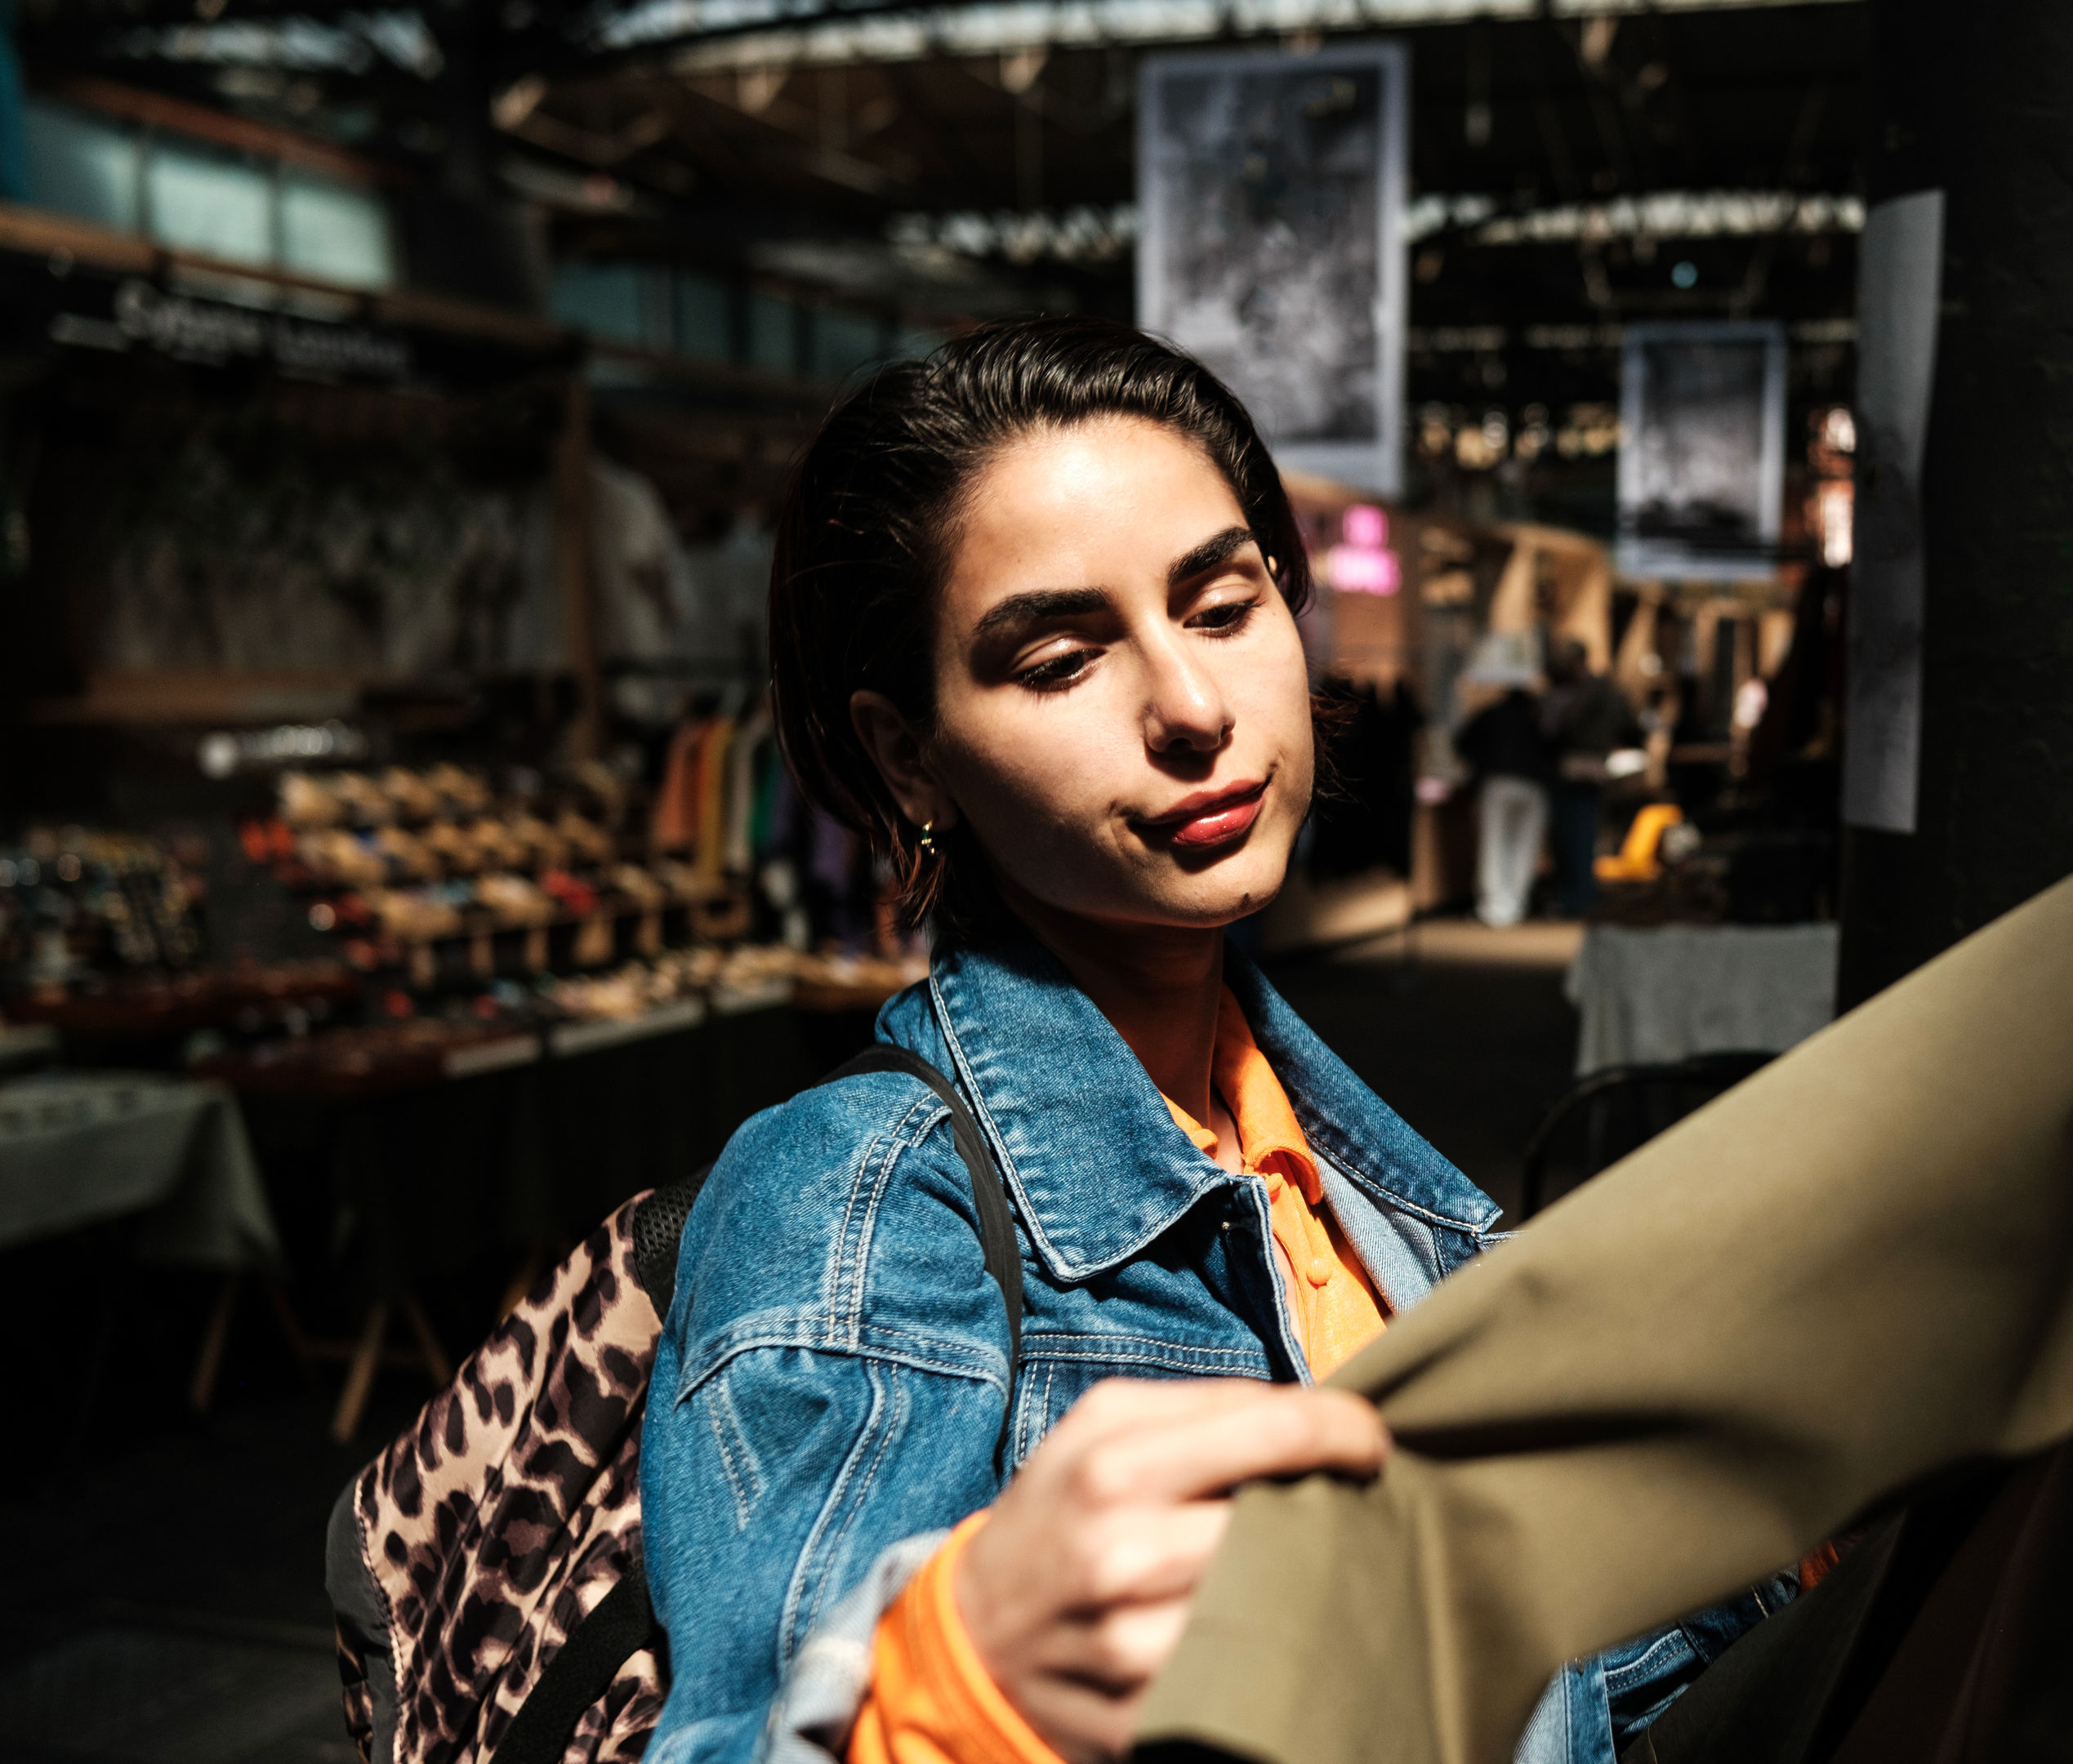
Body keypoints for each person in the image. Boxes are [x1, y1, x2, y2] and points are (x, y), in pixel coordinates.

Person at [640, 318, 1790, 1764]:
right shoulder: (854, 1207)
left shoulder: (1324, 1150)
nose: (1191, 709)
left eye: (1224, 607)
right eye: (1059, 659)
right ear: (907, 753)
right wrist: (950, 1691)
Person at [1539, 639, 1633, 920]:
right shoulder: (1602, 689)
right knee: (1579, 834)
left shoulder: (1587, 692)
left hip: (1577, 768)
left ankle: (1577, 898)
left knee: (1575, 836)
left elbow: (1562, 727)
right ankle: (1578, 896)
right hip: (1591, 766)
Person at [1454, 670, 1549, 928]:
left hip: (1499, 783)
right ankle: (1515, 905)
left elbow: (1462, 742)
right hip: (1532, 785)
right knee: (1523, 847)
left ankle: (1495, 907)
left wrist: (1480, 764)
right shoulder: (1536, 718)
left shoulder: (1492, 714)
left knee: (1495, 844)